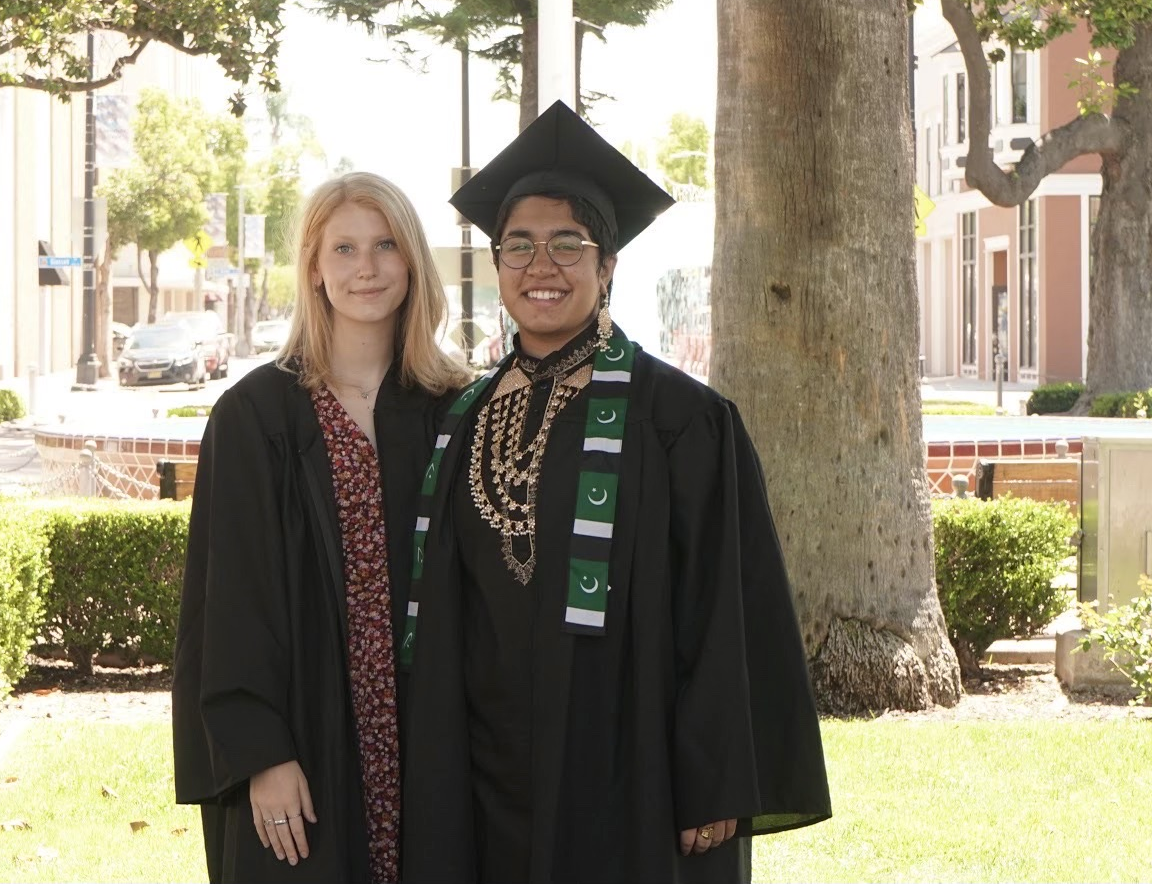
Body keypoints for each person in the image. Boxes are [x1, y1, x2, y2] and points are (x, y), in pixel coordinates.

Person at [401, 102, 831, 883]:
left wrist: (713, 776)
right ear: (497, 266)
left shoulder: (680, 418)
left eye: (569, 244)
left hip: (630, 766)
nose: (542, 266)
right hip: (484, 772)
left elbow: (724, 606)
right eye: (520, 246)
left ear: (608, 267)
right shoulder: (459, 417)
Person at [174, 172, 474, 883]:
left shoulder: (455, 409)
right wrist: (261, 753)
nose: (365, 267)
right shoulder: (255, 417)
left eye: (385, 245)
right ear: (312, 265)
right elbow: (230, 600)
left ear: (413, 262)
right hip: (307, 730)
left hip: (432, 734)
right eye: (342, 248)